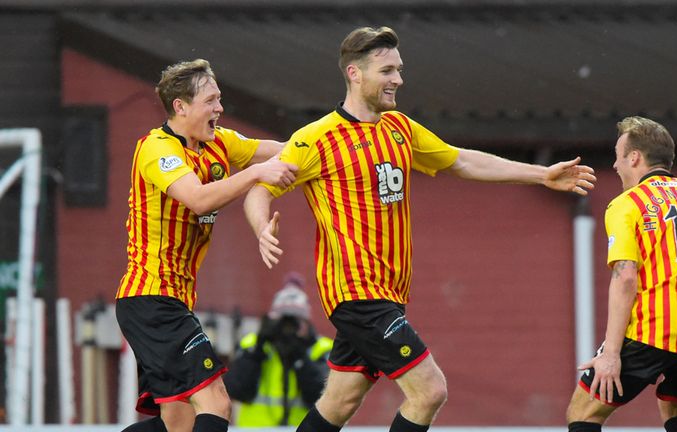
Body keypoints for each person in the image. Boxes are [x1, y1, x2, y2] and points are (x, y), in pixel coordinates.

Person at [243, 27, 597, 432]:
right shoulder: (316, 138)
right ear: (355, 74)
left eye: (399, 69)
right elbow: (260, 188)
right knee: (429, 391)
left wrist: (541, 175)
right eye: (387, 70)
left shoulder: (399, 128)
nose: (398, 79)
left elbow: (461, 161)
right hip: (358, 294)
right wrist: (260, 228)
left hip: (389, 294)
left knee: (341, 400)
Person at [115, 59, 298, 432]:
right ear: (180, 106)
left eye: (220, 99)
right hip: (152, 300)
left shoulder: (218, 144)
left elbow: (285, 150)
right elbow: (197, 199)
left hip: (168, 303)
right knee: (216, 402)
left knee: (179, 424)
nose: (220, 108)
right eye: (211, 100)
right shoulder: (156, 148)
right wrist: (254, 174)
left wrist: (333, 147)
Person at [565, 116, 677, 432]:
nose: (616, 164)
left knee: (583, 413)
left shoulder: (627, 204)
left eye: (619, 155)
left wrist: (611, 353)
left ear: (634, 157)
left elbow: (625, 277)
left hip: (654, 328)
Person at [224, 272, 333, 427]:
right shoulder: (252, 345)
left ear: (306, 322)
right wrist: (259, 348)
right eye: (284, 320)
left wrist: (301, 357)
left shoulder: (321, 349)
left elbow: (324, 399)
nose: (288, 327)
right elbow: (236, 390)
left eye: (295, 321)